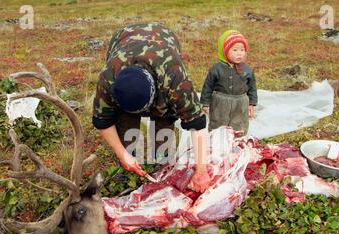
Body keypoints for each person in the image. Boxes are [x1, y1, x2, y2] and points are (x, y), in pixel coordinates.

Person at [92, 22, 210, 192]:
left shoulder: (174, 78)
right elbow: (103, 121)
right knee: (125, 126)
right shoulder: (108, 78)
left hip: (163, 38)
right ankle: (126, 169)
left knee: (163, 121)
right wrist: (123, 154)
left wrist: (201, 171)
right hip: (124, 38)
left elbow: (197, 124)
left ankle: (161, 167)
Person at [200, 30, 258, 135]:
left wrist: (251, 103)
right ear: (225, 51)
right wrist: (205, 103)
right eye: (235, 50)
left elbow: (252, 87)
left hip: (240, 102)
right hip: (220, 101)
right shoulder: (216, 69)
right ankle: (216, 141)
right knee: (218, 122)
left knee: (239, 124)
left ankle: (237, 144)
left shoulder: (247, 70)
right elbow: (208, 86)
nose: (239, 53)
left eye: (242, 50)